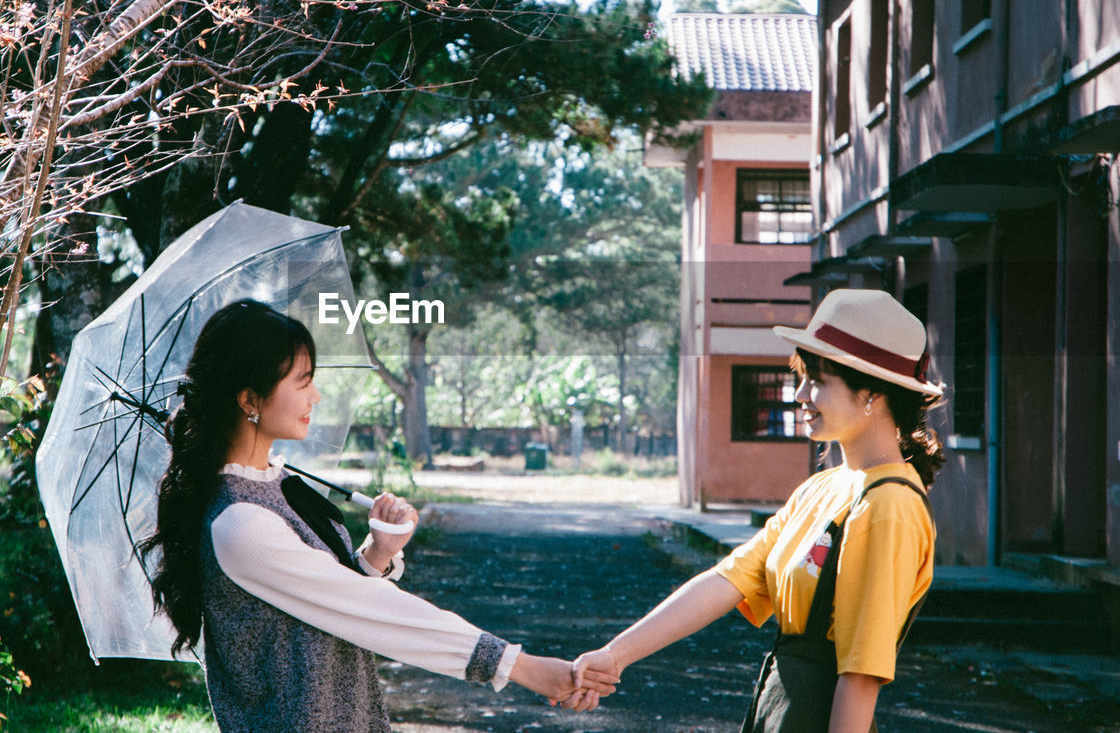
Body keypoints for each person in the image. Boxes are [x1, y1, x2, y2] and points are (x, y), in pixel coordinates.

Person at [138, 299, 613, 732]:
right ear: (249, 400)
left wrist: (377, 552)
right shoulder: (240, 523)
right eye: (303, 382)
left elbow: (324, 597)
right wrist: (518, 666)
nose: (315, 396)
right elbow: (371, 611)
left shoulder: (275, 485)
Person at [566, 288, 943, 731]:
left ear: (871, 393)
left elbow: (861, 674)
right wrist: (613, 656)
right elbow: (727, 580)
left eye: (818, 380)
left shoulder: (889, 505)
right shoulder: (822, 489)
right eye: (802, 377)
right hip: (776, 708)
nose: (800, 394)